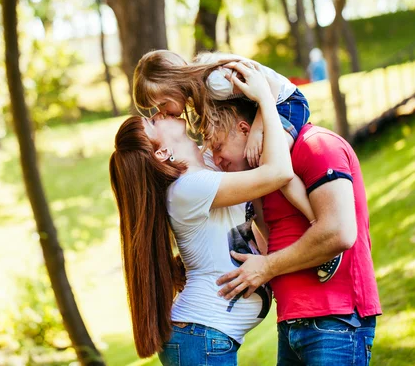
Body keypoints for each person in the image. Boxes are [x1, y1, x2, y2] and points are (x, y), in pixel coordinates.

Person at [110, 62, 294, 364]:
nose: (157, 113)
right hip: (201, 336)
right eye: (151, 122)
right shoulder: (189, 188)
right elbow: (278, 172)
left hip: (203, 337)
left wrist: (259, 111)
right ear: (160, 153)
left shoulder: (209, 164)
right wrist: (264, 100)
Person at [133, 49, 342, 283]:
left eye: (162, 103)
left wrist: (258, 130)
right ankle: (269, 251)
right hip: (265, 111)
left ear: (172, 80)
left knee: (271, 162)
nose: (163, 112)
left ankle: (317, 225)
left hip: (286, 104)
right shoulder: (200, 94)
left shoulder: (214, 82)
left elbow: (268, 89)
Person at [205, 98, 381, 365]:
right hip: (291, 323)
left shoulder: (317, 145)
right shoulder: (265, 177)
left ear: (244, 130)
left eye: (218, 147)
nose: (216, 159)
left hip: (336, 322)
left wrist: (266, 267)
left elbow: (339, 232)